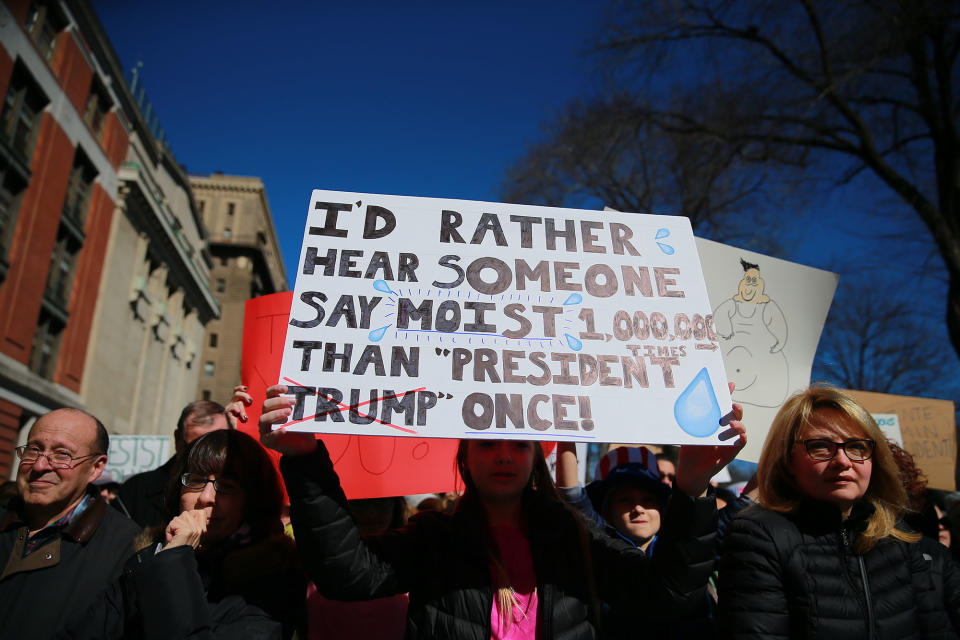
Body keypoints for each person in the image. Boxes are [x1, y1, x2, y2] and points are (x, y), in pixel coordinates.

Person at [260, 383, 746, 639]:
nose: (504, 455)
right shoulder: (436, 536)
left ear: (537, 455)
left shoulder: (572, 535)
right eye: (488, 442)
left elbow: (668, 594)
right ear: (465, 456)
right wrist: (303, 459)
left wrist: (692, 484)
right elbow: (346, 576)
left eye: (519, 442)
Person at [717, 385, 960, 637]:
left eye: (857, 447)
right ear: (788, 460)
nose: (843, 461)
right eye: (821, 446)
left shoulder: (902, 540)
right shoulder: (759, 537)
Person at [57, 429, 304, 639]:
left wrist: (175, 561)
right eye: (195, 481)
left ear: (253, 500)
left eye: (226, 487)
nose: (206, 498)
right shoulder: (150, 558)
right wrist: (169, 556)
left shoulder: (275, 575)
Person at [0, 408, 139, 640]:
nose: (39, 466)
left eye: (62, 455)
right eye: (34, 450)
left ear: (96, 467)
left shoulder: (127, 550)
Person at [116, 398, 232, 529]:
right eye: (195, 447)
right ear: (178, 440)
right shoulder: (136, 491)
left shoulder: (242, 487)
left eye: (216, 444)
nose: (205, 455)